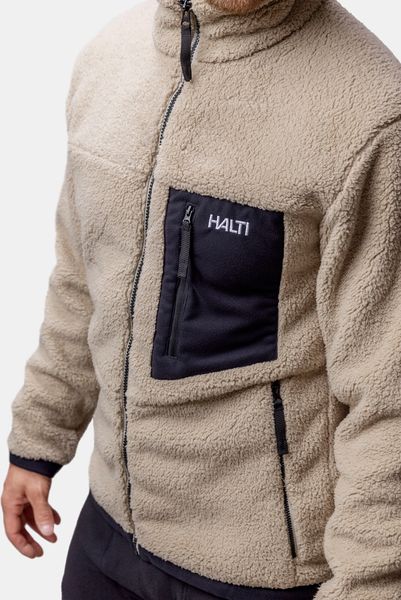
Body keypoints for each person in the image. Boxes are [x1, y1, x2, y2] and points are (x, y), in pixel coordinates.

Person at [2, 0, 401, 598]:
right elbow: (81, 282)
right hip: (104, 540)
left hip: (257, 574)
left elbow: (389, 394)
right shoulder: (108, 58)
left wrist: (370, 584)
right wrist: (37, 443)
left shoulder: (371, 111)